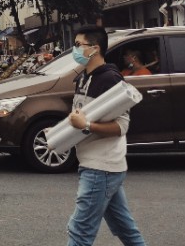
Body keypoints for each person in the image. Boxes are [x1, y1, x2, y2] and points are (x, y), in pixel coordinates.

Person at [65, 25, 146, 246]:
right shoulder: (84, 78)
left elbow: (122, 126)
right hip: (99, 165)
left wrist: (87, 124)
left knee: (79, 232)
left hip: (101, 167)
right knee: (126, 230)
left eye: (78, 45)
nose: (75, 49)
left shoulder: (110, 79)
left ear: (94, 48)